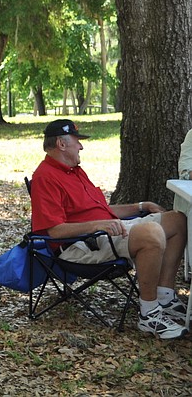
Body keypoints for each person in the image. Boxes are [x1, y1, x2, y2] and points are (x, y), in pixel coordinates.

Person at [30, 118, 188, 339]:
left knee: (178, 220)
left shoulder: (74, 171)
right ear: (61, 144)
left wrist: (140, 206)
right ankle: (149, 313)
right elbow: (54, 231)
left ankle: (164, 295)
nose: (81, 146)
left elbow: (100, 209)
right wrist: (98, 225)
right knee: (151, 233)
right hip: (81, 245)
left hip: (106, 232)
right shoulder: (45, 177)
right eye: (77, 141)